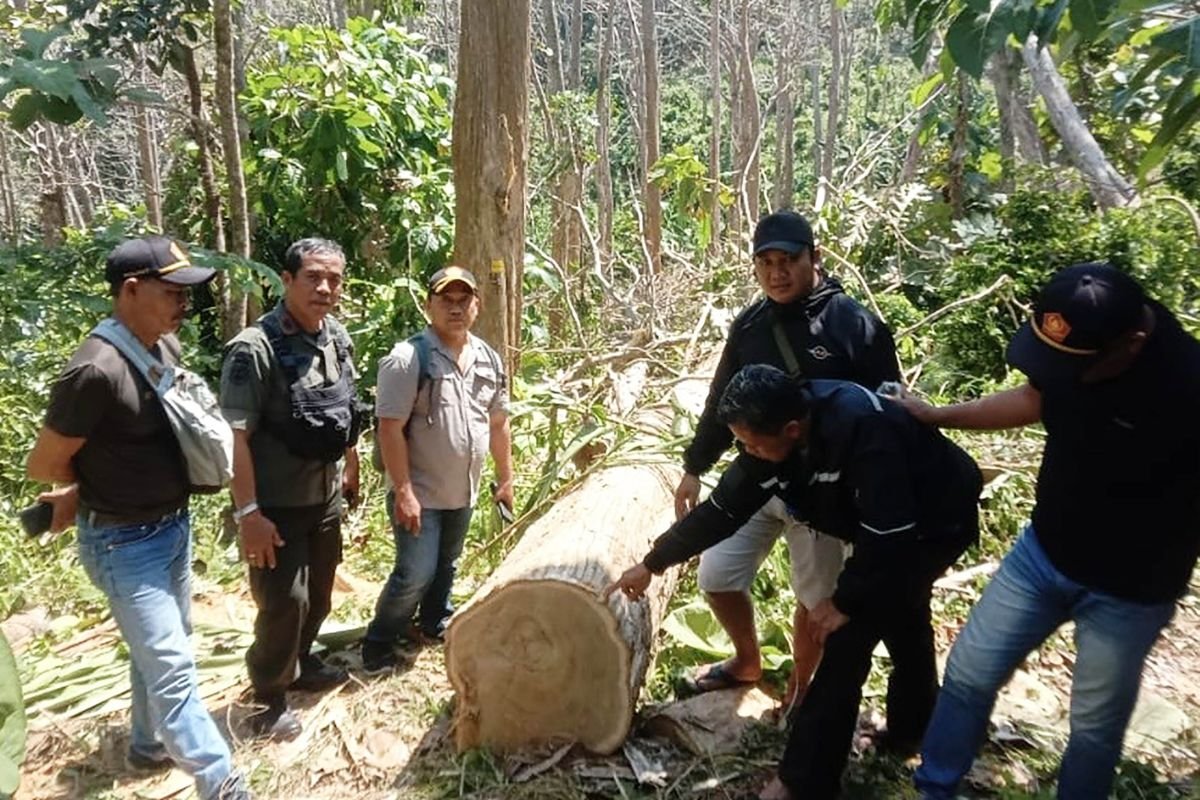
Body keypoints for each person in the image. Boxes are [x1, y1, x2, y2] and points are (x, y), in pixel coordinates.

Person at [606, 365, 982, 800]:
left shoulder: (863, 429)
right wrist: (653, 562)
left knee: (847, 639)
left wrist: (845, 602)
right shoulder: (770, 446)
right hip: (885, 530)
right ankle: (912, 728)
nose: (748, 451)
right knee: (904, 614)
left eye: (752, 443)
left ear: (790, 429)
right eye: (742, 443)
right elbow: (722, 512)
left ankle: (803, 781)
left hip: (932, 524)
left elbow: (889, 534)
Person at [898, 263, 1200, 800]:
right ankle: (934, 789)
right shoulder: (1076, 351)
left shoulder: (1187, 385)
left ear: (1131, 345)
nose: (1056, 376)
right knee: (968, 673)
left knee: (1093, 727)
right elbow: (1034, 399)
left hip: (1130, 590)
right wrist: (934, 415)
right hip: (1043, 555)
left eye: (1069, 369)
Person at [26, 236, 249, 800]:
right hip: (124, 543)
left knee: (165, 647)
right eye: (172, 292)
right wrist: (82, 492)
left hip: (170, 527)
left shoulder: (160, 347)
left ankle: (148, 744)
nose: (183, 306)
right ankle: (221, 781)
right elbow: (46, 463)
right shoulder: (95, 372)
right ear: (131, 291)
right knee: (172, 666)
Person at [674, 209, 900, 699]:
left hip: (825, 495)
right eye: (766, 263)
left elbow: (888, 413)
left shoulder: (854, 325)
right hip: (759, 477)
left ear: (814, 258)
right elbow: (721, 401)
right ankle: (747, 661)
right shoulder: (751, 326)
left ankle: (802, 691)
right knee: (717, 575)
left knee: (815, 600)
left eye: (788, 261)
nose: (777, 273)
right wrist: (695, 466)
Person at [219, 237, 362, 740]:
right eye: (313, 278)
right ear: (286, 280)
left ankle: (300, 662)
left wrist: (352, 463)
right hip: (274, 507)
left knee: (319, 594)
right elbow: (233, 437)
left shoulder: (336, 337)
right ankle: (269, 698)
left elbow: (345, 410)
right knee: (284, 604)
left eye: (334, 279)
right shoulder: (253, 350)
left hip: (321, 499)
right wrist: (248, 514)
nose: (325, 288)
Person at [360, 266, 513, 672]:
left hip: (463, 490)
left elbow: (497, 423)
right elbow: (389, 428)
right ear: (429, 304)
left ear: (477, 306)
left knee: (447, 564)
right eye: (446, 299)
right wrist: (403, 490)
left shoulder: (488, 358)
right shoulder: (409, 358)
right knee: (414, 571)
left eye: (464, 299)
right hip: (420, 492)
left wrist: (506, 478)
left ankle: (433, 621)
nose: (456, 307)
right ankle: (379, 640)